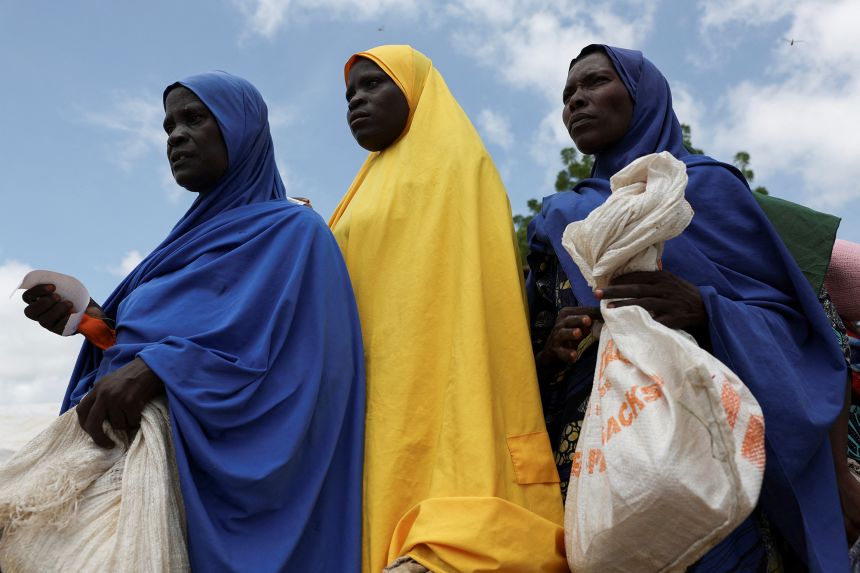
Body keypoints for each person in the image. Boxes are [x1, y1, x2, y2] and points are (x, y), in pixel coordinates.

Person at [21, 71, 365, 572]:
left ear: (241, 129)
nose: (176, 135)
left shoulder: (296, 235)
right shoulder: (171, 251)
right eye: (167, 126)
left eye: (193, 118)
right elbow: (135, 346)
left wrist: (161, 369)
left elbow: (308, 376)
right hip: (117, 458)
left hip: (201, 492)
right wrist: (91, 324)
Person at [527, 45, 850, 572]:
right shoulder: (558, 222)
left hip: (709, 452)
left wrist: (708, 309)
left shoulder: (709, 189)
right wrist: (550, 350)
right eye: (567, 96)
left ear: (642, 95)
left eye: (594, 83)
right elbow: (521, 350)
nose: (576, 102)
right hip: (592, 462)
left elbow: (807, 328)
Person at [329, 45, 566, 572]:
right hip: (373, 389)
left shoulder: (460, 163)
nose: (356, 101)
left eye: (373, 85)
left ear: (414, 91)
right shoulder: (359, 190)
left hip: (444, 376)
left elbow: (478, 305)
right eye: (350, 94)